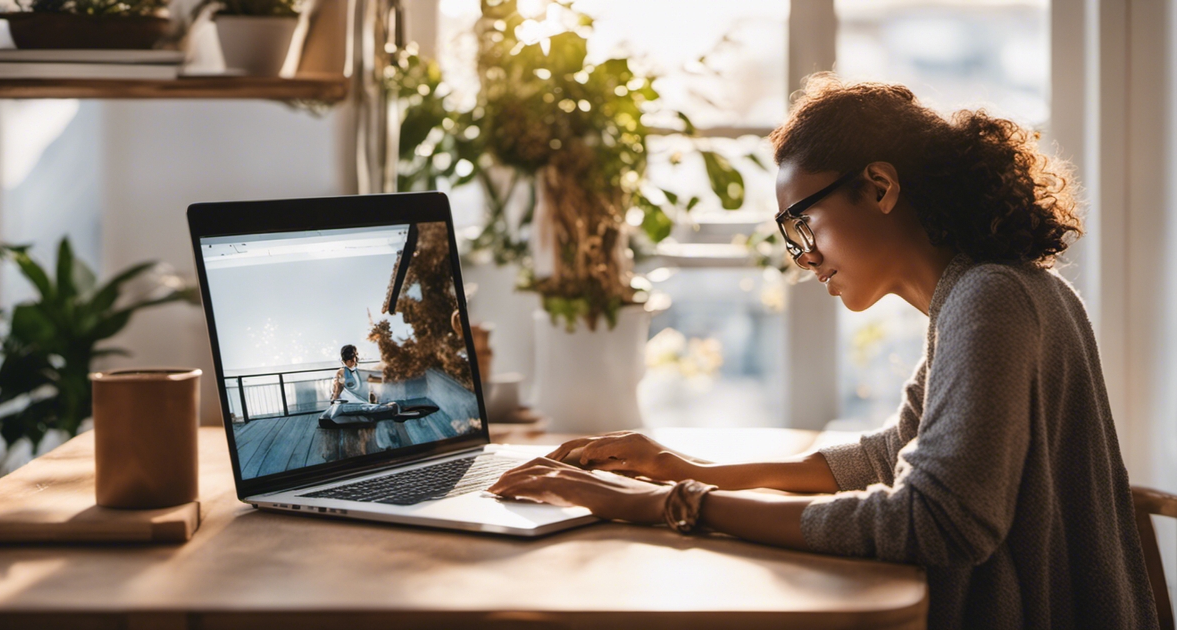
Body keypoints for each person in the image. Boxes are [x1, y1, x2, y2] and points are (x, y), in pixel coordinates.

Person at [488, 74, 1160, 629]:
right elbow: (894, 454)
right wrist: (681, 467)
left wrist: (672, 504)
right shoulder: (993, 291)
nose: (802, 257)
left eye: (801, 223)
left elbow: (938, 521)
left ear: (879, 187)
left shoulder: (990, 302)